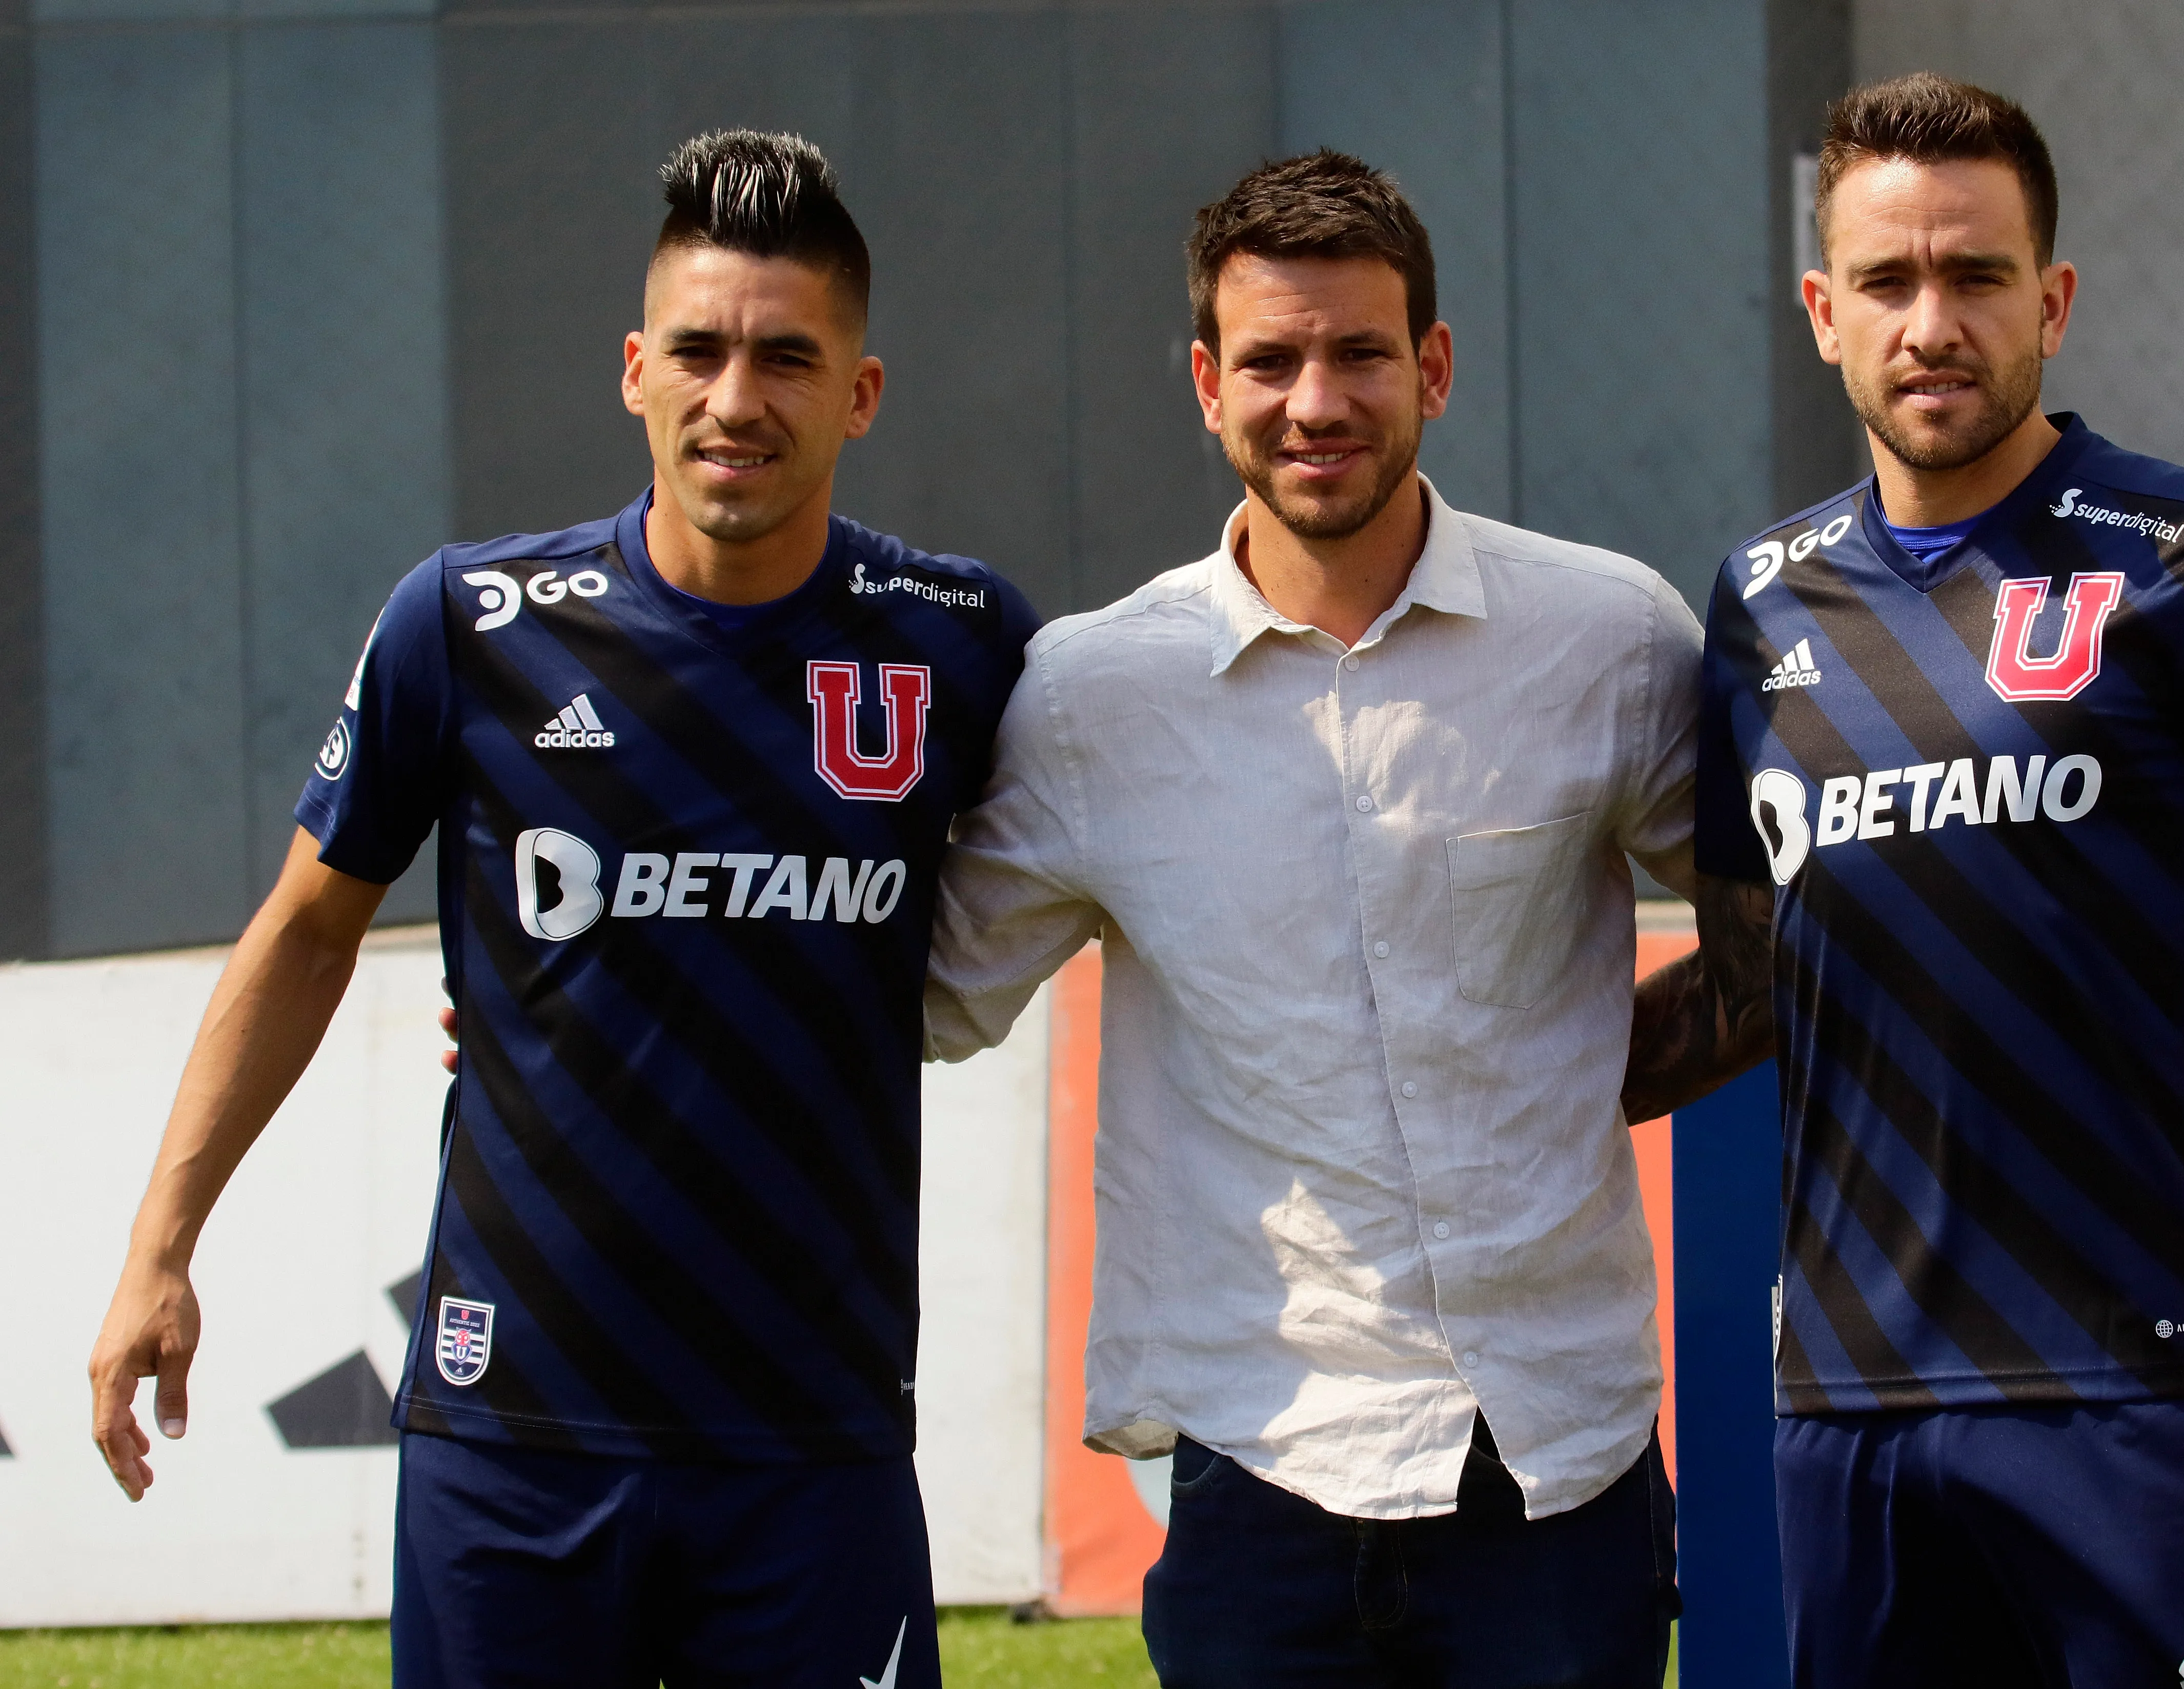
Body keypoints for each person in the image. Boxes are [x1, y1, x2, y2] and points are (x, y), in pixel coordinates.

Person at [85, 130, 1037, 1689]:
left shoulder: (961, 645)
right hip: (511, 1430)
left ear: (859, 395)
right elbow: (306, 929)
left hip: (812, 1440)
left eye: (788, 358)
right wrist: (160, 1247)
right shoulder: (467, 624)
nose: (737, 397)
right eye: (699, 350)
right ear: (632, 372)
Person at [1627, 73, 2184, 1689]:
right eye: (1887, 282)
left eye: (1976, 276)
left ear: (2049, 300)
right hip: (1845, 1407)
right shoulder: (1760, 607)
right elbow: (1743, 981)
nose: (1932, 322)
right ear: (1821, 312)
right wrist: (1458, 1099)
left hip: (2150, 1394)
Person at [925, 151, 1700, 1687]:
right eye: (1269, 360)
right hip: (1258, 1463)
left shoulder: (1609, 638)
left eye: (1357, 352)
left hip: (1554, 1454)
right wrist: (596, 995)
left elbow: (1783, 938)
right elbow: (918, 989)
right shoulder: (1093, 694)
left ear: (1435, 365)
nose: (1315, 400)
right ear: (1208, 384)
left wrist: (1561, 1080)